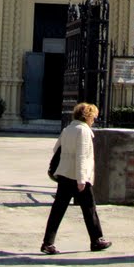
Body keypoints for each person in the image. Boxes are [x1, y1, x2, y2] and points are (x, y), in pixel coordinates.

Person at [41, 102, 112, 254]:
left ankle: (48, 242)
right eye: (93, 117)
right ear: (88, 116)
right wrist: (81, 179)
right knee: (89, 209)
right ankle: (97, 240)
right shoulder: (83, 131)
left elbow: (56, 149)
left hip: (64, 174)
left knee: (58, 210)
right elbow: (81, 156)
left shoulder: (68, 129)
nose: (94, 120)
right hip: (78, 176)